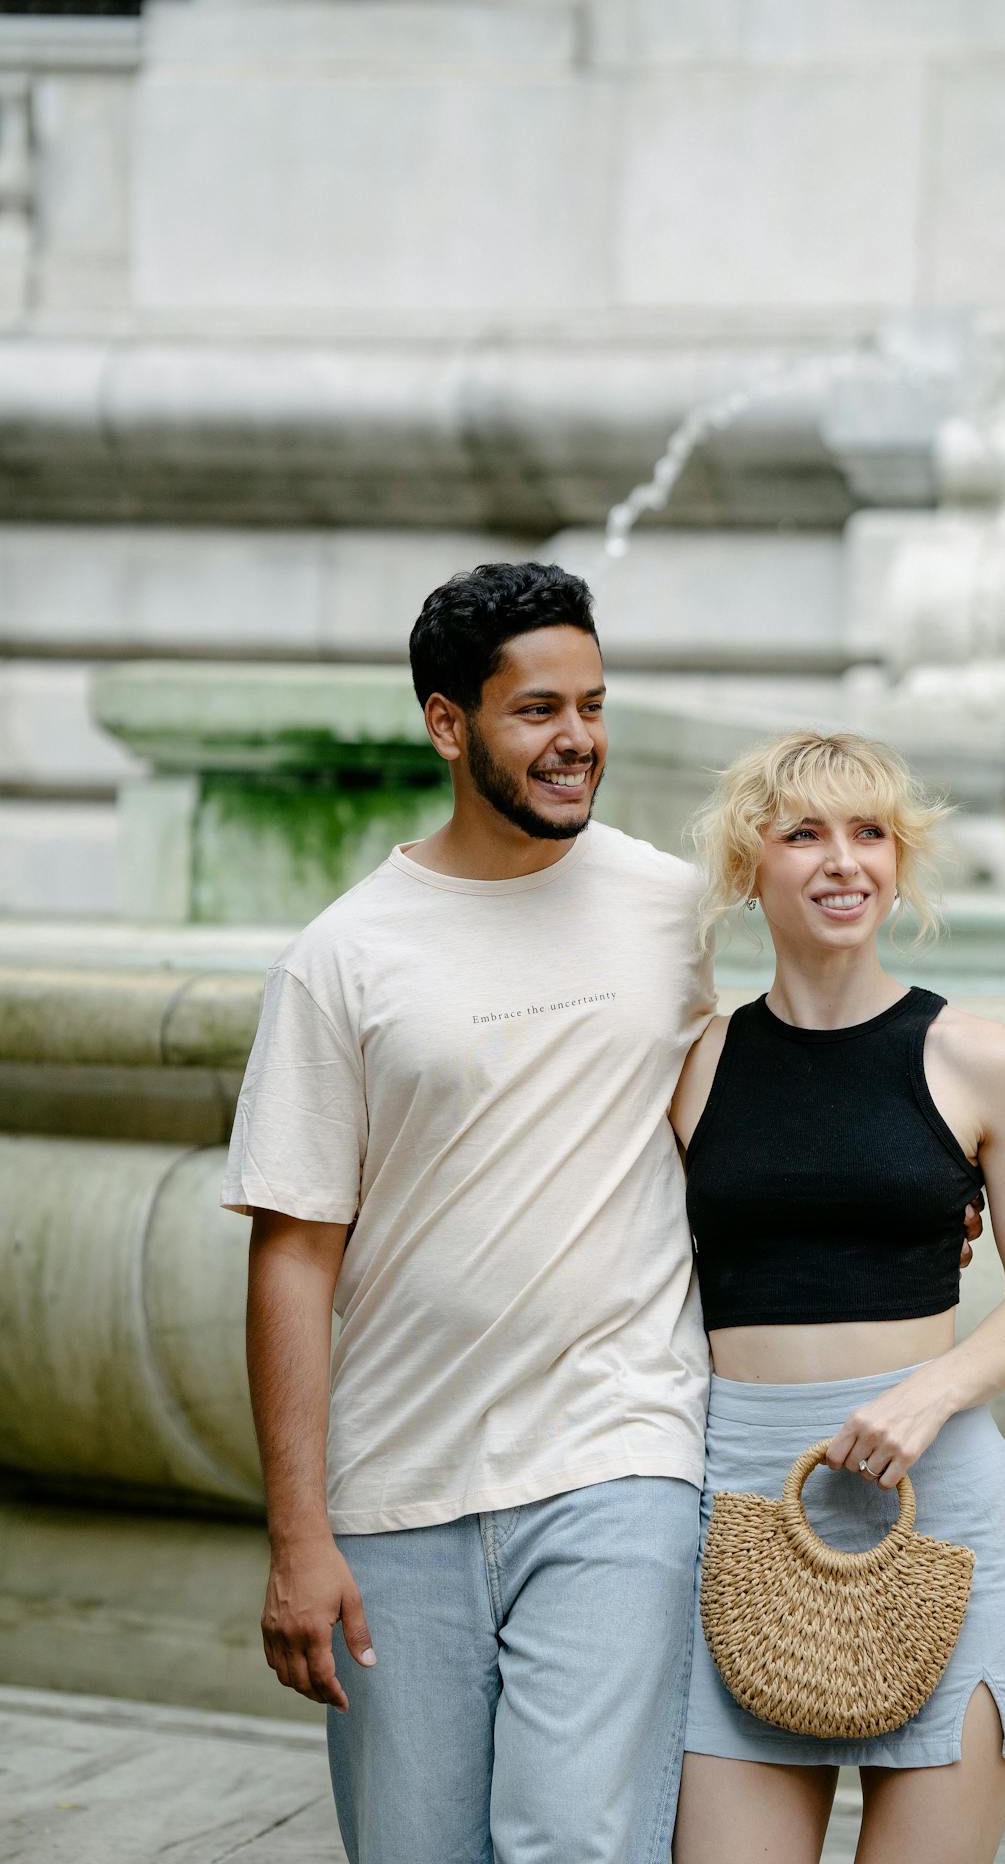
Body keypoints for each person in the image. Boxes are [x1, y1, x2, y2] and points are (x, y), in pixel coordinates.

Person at [222, 562, 719, 1864]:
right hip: (397, 1488)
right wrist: (298, 1537)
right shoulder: (344, 956)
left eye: (593, 707)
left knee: (570, 1842)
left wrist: (915, 1191)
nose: (577, 742)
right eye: (537, 710)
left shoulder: (672, 909)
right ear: (448, 723)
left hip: (619, 1453)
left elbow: (750, 1112)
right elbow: (292, 1254)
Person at [670, 729, 1005, 1864]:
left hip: (937, 1501)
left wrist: (927, 1393)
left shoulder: (977, 1058)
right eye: (802, 833)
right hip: (742, 1501)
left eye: (869, 832)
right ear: (750, 865)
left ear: (898, 863)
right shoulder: (694, 1064)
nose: (842, 860)